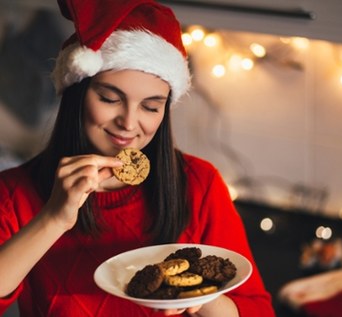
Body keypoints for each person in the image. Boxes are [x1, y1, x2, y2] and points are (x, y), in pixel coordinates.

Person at [0, 0, 275, 316]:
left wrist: (199, 296)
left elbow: (257, 310)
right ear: (77, 92)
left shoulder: (200, 184)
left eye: (150, 107)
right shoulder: (13, 193)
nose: (129, 123)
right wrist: (54, 218)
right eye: (109, 98)